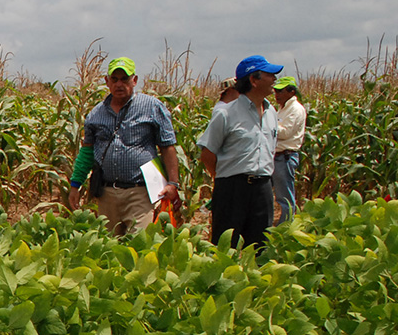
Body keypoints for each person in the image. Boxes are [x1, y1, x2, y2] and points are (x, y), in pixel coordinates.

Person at [68, 57, 180, 235]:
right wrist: (75, 185)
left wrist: (173, 183)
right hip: (107, 193)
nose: (119, 84)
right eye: (114, 79)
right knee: (109, 247)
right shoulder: (96, 114)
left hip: (140, 191)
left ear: (134, 80)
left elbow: (168, 147)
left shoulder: (151, 107)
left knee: (138, 245)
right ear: (107, 82)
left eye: (124, 79)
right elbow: (87, 152)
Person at [197, 54, 282, 249]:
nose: (274, 80)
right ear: (254, 80)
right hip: (232, 188)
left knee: (260, 249)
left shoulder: (272, 113)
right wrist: (222, 177)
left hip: (262, 188)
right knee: (226, 248)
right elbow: (207, 152)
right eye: (269, 75)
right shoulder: (226, 113)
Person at [272, 76, 307, 223]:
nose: (277, 94)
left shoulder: (296, 109)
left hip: (284, 158)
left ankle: (287, 227)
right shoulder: (282, 109)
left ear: (292, 91)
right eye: (275, 91)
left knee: (285, 197)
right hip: (275, 157)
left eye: (281, 91)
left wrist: (267, 126)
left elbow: (286, 132)